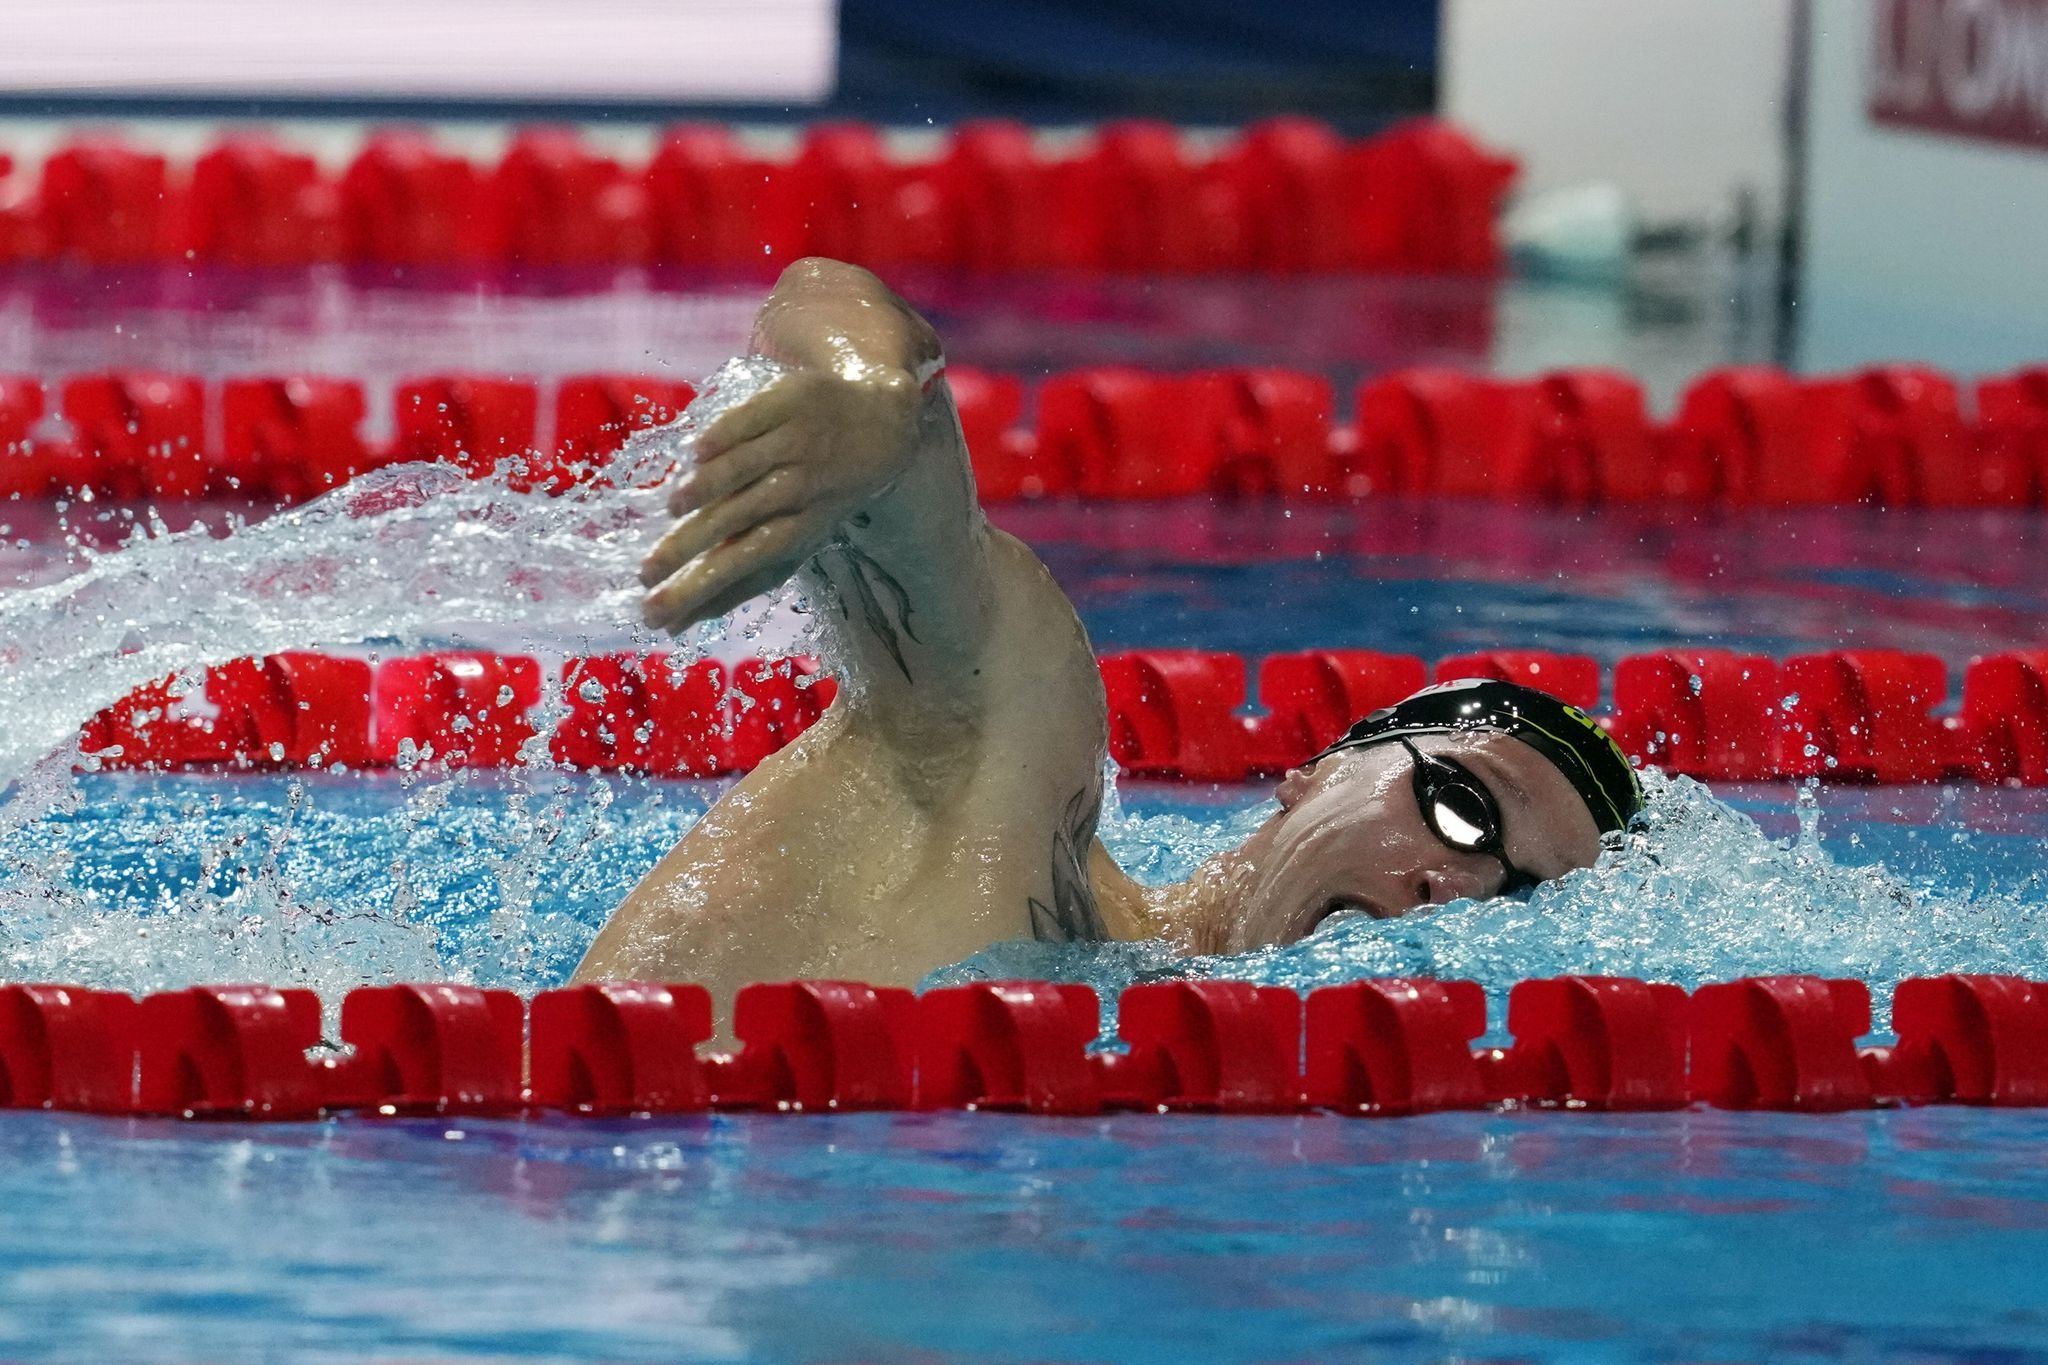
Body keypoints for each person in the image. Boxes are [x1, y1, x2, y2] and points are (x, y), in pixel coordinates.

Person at [573, 258, 1643, 1003]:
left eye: (1516, 895)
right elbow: (827, 293)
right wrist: (870, 398)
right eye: (1459, 814)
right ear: (1319, 768)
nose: (1448, 891)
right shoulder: (1005, 777)